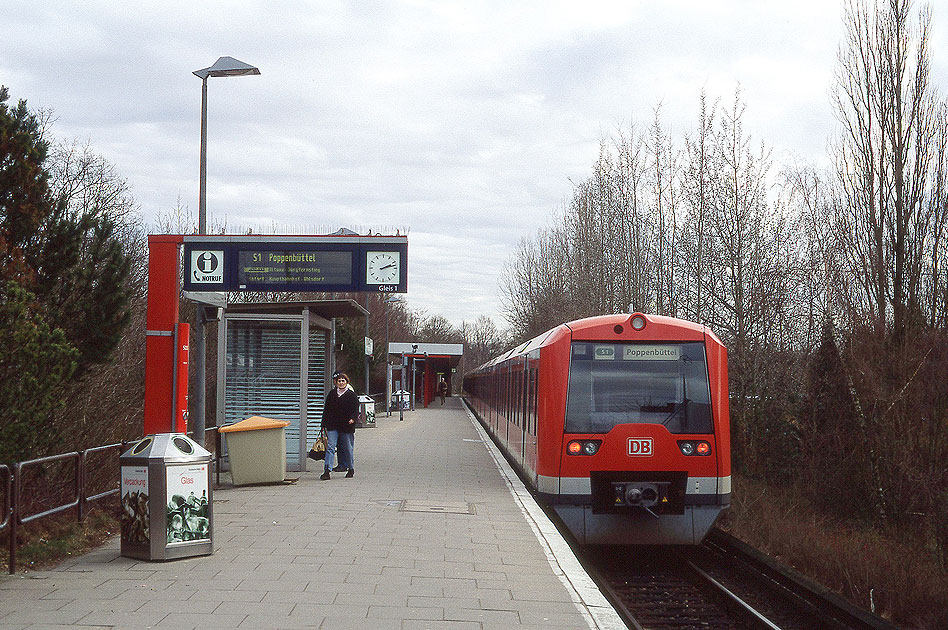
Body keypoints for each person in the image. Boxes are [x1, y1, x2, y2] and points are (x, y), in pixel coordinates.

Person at [320, 372, 358, 480]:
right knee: (331, 447)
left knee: (347, 447)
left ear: (346, 382)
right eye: (339, 381)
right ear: (336, 382)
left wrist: (353, 419)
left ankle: (350, 468)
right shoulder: (332, 394)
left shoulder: (351, 395)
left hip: (346, 425)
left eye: (343, 381)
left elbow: (355, 409)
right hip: (333, 424)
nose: (341, 383)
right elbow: (326, 409)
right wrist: (323, 423)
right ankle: (327, 470)